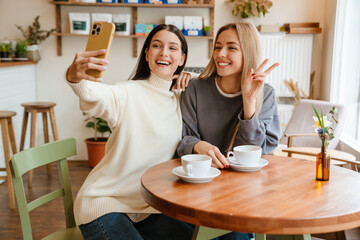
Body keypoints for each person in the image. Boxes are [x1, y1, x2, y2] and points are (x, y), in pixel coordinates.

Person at [66, 24, 193, 240]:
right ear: (146, 54)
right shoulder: (127, 93)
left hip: (149, 208)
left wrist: (194, 83)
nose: (163, 52)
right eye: (156, 45)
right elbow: (93, 94)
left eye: (172, 48)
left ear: (181, 59)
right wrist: (75, 77)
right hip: (105, 202)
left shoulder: (181, 102)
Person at [177, 22, 281, 239]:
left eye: (232, 47)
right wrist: (196, 145)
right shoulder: (195, 88)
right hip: (199, 185)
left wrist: (249, 102)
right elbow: (182, 137)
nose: (221, 54)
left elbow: (257, 151)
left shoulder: (266, 94)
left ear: (248, 52)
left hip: (244, 192)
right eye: (218, 46)